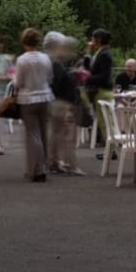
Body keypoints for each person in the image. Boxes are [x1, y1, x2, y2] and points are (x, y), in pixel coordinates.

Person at [14, 28, 53, 182]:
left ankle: (38, 169)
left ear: (24, 42)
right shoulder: (45, 58)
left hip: (28, 98)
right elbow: (50, 77)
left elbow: (18, 82)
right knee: (43, 132)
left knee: (33, 134)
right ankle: (44, 164)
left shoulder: (22, 60)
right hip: (45, 96)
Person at [44, 33, 84, 176]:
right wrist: (74, 76)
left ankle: (54, 162)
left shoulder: (53, 62)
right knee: (68, 135)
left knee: (56, 133)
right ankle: (70, 165)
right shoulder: (54, 63)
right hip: (62, 103)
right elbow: (59, 83)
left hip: (58, 102)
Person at [83, 28, 113, 144]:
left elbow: (104, 76)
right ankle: (109, 148)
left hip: (102, 91)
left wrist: (87, 78)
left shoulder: (105, 55)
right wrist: (88, 52)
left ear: (98, 40)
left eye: (92, 38)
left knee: (105, 122)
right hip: (97, 91)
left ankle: (111, 148)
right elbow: (88, 69)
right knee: (102, 121)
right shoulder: (99, 53)